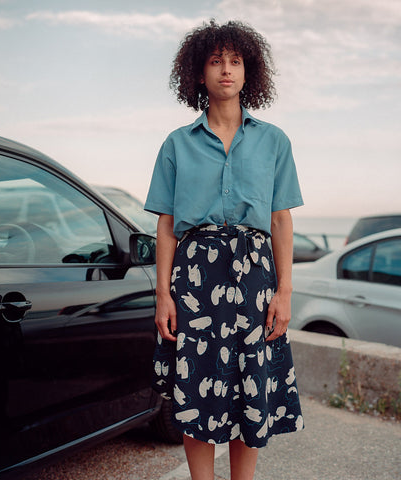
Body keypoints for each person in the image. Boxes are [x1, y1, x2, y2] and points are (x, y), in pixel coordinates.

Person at [144, 19, 304, 480]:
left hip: (255, 279)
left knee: (249, 387)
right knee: (195, 389)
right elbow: (168, 225)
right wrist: (163, 296)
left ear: (249, 71)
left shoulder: (274, 141)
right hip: (194, 278)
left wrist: (285, 291)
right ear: (198, 72)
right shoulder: (177, 144)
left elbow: (279, 219)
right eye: (216, 61)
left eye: (235, 61)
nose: (226, 70)